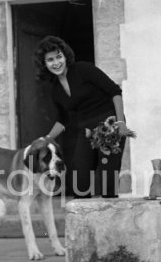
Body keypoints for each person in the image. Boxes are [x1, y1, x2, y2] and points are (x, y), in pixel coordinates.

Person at [33, 35, 135, 198]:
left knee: (107, 178)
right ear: (44, 64)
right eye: (50, 60)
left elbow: (115, 92)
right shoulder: (55, 91)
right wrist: (46, 139)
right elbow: (63, 120)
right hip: (86, 130)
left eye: (59, 56)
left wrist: (120, 122)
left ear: (65, 56)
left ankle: (108, 216)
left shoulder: (83, 69)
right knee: (80, 181)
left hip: (109, 124)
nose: (56, 62)